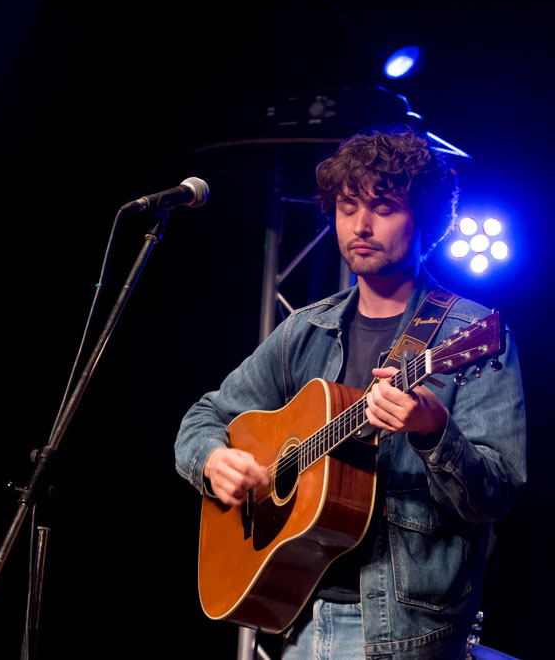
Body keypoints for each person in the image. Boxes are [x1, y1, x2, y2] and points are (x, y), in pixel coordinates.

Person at [175, 128, 526, 660]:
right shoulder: (305, 331)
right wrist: (214, 459)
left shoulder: (469, 335)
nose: (360, 226)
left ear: (425, 219)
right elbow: (203, 417)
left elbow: (494, 495)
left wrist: (434, 432)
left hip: (406, 631)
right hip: (294, 615)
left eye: (383, 208)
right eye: (347, 207)